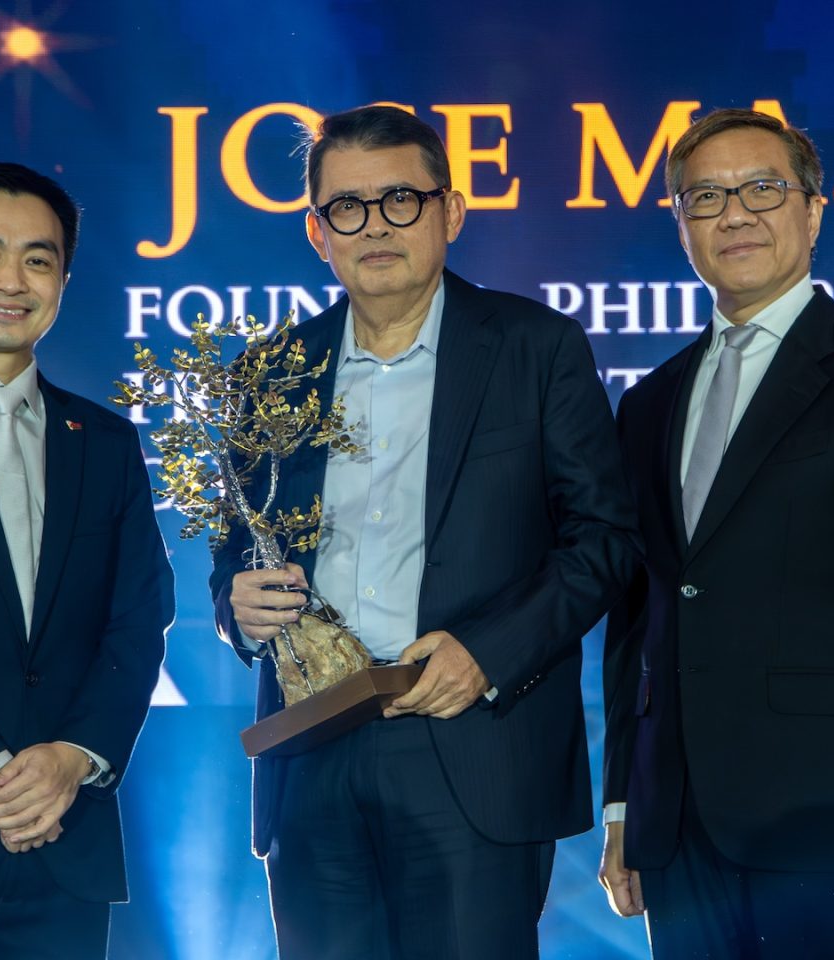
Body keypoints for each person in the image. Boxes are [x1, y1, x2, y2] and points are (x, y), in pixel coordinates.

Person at [211, 104, 640, 960]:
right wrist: (236, 604)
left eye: (400, 199)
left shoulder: (535, 347)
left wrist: (489, 652)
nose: (375, 225)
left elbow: (605, 541)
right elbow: (235, 548)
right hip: (312, 756)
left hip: (472, 744)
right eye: (348, 207)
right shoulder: (270, 373)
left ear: (450, 211)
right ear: (316, 230)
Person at [0, 162, 174, 959]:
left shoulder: (108, 443)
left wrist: (72, 758)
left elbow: (137, 619)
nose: (11, 280)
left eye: (38, 259)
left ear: (62, 281)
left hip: (64, 841)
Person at [599, 108, 834, 958]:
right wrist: (625, 802)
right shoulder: (648, 402)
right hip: (678, 829)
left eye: (762, 189)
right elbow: (636, 617)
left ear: (813, 213)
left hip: (830, 821)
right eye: (705, 196)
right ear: (680, 225)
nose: (734, 213)